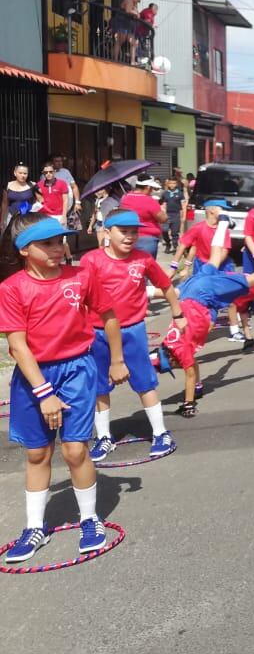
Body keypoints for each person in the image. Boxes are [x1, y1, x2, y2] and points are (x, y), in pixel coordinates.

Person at [0, 213, 126, 562]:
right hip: (34, 376)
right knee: (37, 454)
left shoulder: (83, 276)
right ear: (25, 250)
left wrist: (116, 359)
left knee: (74, 450)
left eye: (61, 241)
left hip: (76, 370)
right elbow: (18, 346)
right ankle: (34, 528)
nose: (59, 248)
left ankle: (90, 519)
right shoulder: (11, 288)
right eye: (48, 243)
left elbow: (108, 315)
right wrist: (44, 394)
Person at [81, 211, 180, 462]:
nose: (130, 236)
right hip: (97, 333)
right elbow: (80, 297)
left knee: (145, 383)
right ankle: (104, 436)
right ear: (107, 232)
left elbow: (165, 285)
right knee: (99, 386)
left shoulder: (143, 259)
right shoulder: (91, 260)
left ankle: (160, 433)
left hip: (133, 331)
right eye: (123, 231)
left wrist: (178, 314)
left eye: (134, 231)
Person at [156, 249, 254, 418]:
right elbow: (191, 365)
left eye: (173, 366)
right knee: (214, 261)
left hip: (204, 296)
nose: (176, 367)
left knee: (253, 280)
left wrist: (188, 404)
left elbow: (190, 374)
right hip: (196, 298)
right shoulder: (168, 342)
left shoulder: (181, 351)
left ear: (171, 358)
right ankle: (223, 225)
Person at [117, 177, 167, 258]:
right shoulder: (149, 200)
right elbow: (163, 219)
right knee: (147, 267)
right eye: (151, 189)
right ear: (147, 187)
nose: (152, 191)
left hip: (129, 236)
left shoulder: (125, 198)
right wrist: (163, 209)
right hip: (147, 238)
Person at [160, 177, 186, 254]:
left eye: (174, 183)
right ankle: (168, 243)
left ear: (176, 184)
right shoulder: (165, 193)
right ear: (168, 184)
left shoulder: (180, 193)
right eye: (170, 183)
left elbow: (183, 206)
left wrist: (183, 217)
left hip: (176, 214)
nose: (172, 185)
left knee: (174, 233)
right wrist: (163, 213)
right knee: (164, 230)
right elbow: (164, 204)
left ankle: (175, 247)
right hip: (167, 214)